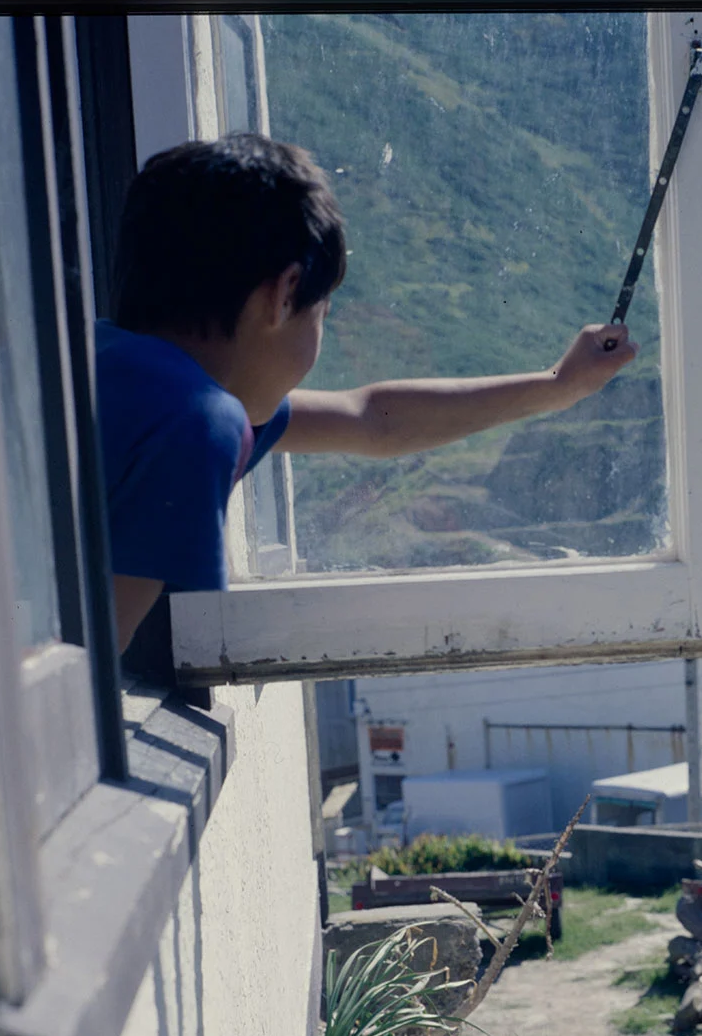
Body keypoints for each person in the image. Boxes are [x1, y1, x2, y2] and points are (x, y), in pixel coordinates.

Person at [97, 132, 638, 651]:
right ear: (283, 296)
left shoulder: (116, 371)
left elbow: (372, 419)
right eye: (323, 311)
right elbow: (84, 669)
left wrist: (558, 386)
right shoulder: (195, 420)